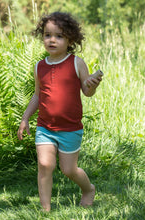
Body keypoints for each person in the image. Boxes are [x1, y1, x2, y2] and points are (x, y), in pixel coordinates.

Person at [17, 11, 103, 212]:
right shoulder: (39, 67)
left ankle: (89, 189)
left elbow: (87, 92)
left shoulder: (76, 62)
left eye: (59, 36)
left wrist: (93, 85)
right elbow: (38, 96)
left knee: (69, 170)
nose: (52, 40)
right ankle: (45, 210)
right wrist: (25, 118)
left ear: (70, 39)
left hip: (70, 129)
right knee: (45, 165)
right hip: (45, 127)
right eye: (47, 35)